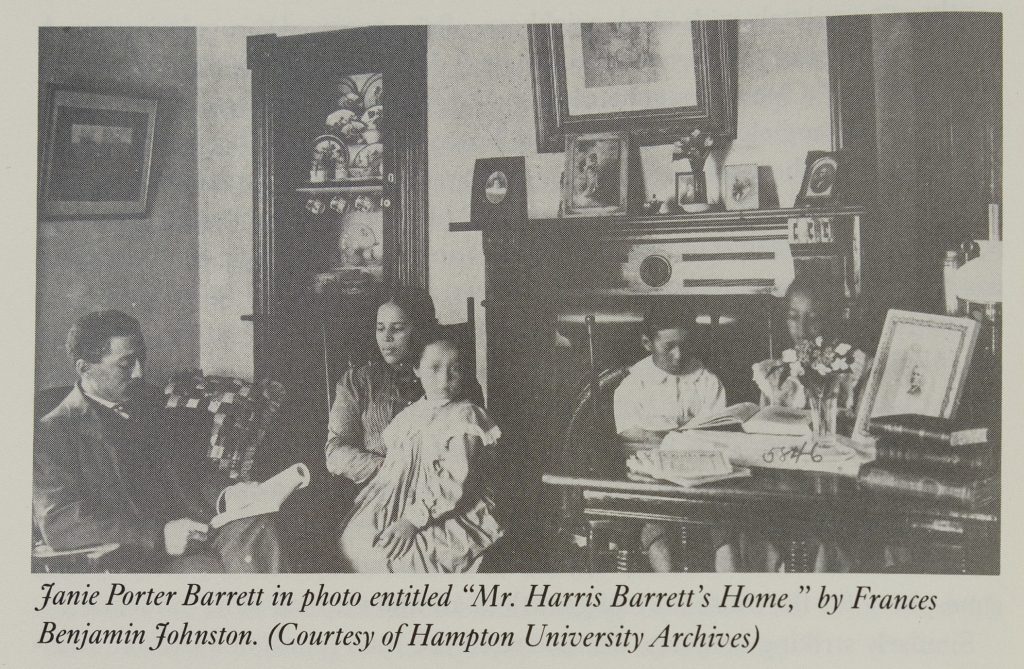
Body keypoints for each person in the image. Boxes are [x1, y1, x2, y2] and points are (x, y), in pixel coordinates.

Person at [33, 310, 287, 572]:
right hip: (138, 552)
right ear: (84, 368)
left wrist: (229, 494)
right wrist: (159, 536)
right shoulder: (53, 432)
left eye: (140, 359)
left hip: (195, 530)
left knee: (258, 527)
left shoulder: (151, 404)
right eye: (126, 364)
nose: (139, 373)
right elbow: (59, 521)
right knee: (208, 574)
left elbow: (191, 472)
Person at [338, 337, 502, 572]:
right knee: (355, 541)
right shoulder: (408, 416)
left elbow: (453, 482)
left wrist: (411, 521)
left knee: (404, 559)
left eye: (455, 369)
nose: (444, 379)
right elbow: (394, 472)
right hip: (400, 499)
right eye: (434, 368)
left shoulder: (466, 417)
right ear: (417, 369)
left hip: (450, 506)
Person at [748, 279, 873, 572]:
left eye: (813, 318)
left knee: (830, 533)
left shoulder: (853, 372)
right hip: (786, 484)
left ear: (831, 318)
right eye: (793, 317)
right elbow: (764, 435)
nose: (802, 329)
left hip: (837, 487)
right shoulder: (777, 375)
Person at [325, 286, 484, 487]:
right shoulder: (357, 381)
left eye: (397, 328)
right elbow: (336, 450)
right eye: (380, 328)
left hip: (443, 489)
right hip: (379, 486)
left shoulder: (451, 380)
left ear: (420, 329)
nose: (386, 337)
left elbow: (472, 447)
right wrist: (394, 471)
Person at [613, 305, 731, 572]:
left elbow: (717, 436)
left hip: (704, 486)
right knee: (657, 532)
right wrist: (686, 435)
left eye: (685, 345)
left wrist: (660, 435)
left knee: (725, 532)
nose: (679, 355)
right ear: (647, 343)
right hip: (653, 487)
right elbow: (631, 439)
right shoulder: (633, 386)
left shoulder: (707, 382)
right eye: (669, 347)